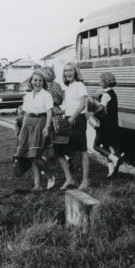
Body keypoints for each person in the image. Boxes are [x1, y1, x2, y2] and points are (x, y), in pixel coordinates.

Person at [55, 62, 91, 191]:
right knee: (58, 150)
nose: (68, 73)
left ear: (75, 72)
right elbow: (69, 107)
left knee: (82, 150)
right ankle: (69, 179)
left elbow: (82, 104)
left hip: (78, 120)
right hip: (69, 119)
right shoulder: (68, 87)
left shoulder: (79, 85)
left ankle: (86, 180)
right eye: (66, 71)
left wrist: (72, 118)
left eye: (70, 70)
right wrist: (58, 111)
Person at [15, 71, 53, 191]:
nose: (37, 83)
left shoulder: (46, 95)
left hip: (40, 123)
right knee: (31, 155)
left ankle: (50, 175)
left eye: (40, 80)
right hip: (29, 124)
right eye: (35, 80)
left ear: (43, 82)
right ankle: (38, 185)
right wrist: (22, 131)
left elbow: (49, 112)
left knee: (35, 154)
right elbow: (26, 114)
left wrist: (47, 127)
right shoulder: (27, 96)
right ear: (31, 81)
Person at [91, 71, 123, 177]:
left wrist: (93, 104)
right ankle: (112, 171)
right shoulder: (113, 94)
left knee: (96, 146)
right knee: (112, 146)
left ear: (105, 82)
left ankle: (114, 159)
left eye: (100, 81)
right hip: (113, 124)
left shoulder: (105, 95)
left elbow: (101, 109)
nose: (100, 83)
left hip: (105, 125)